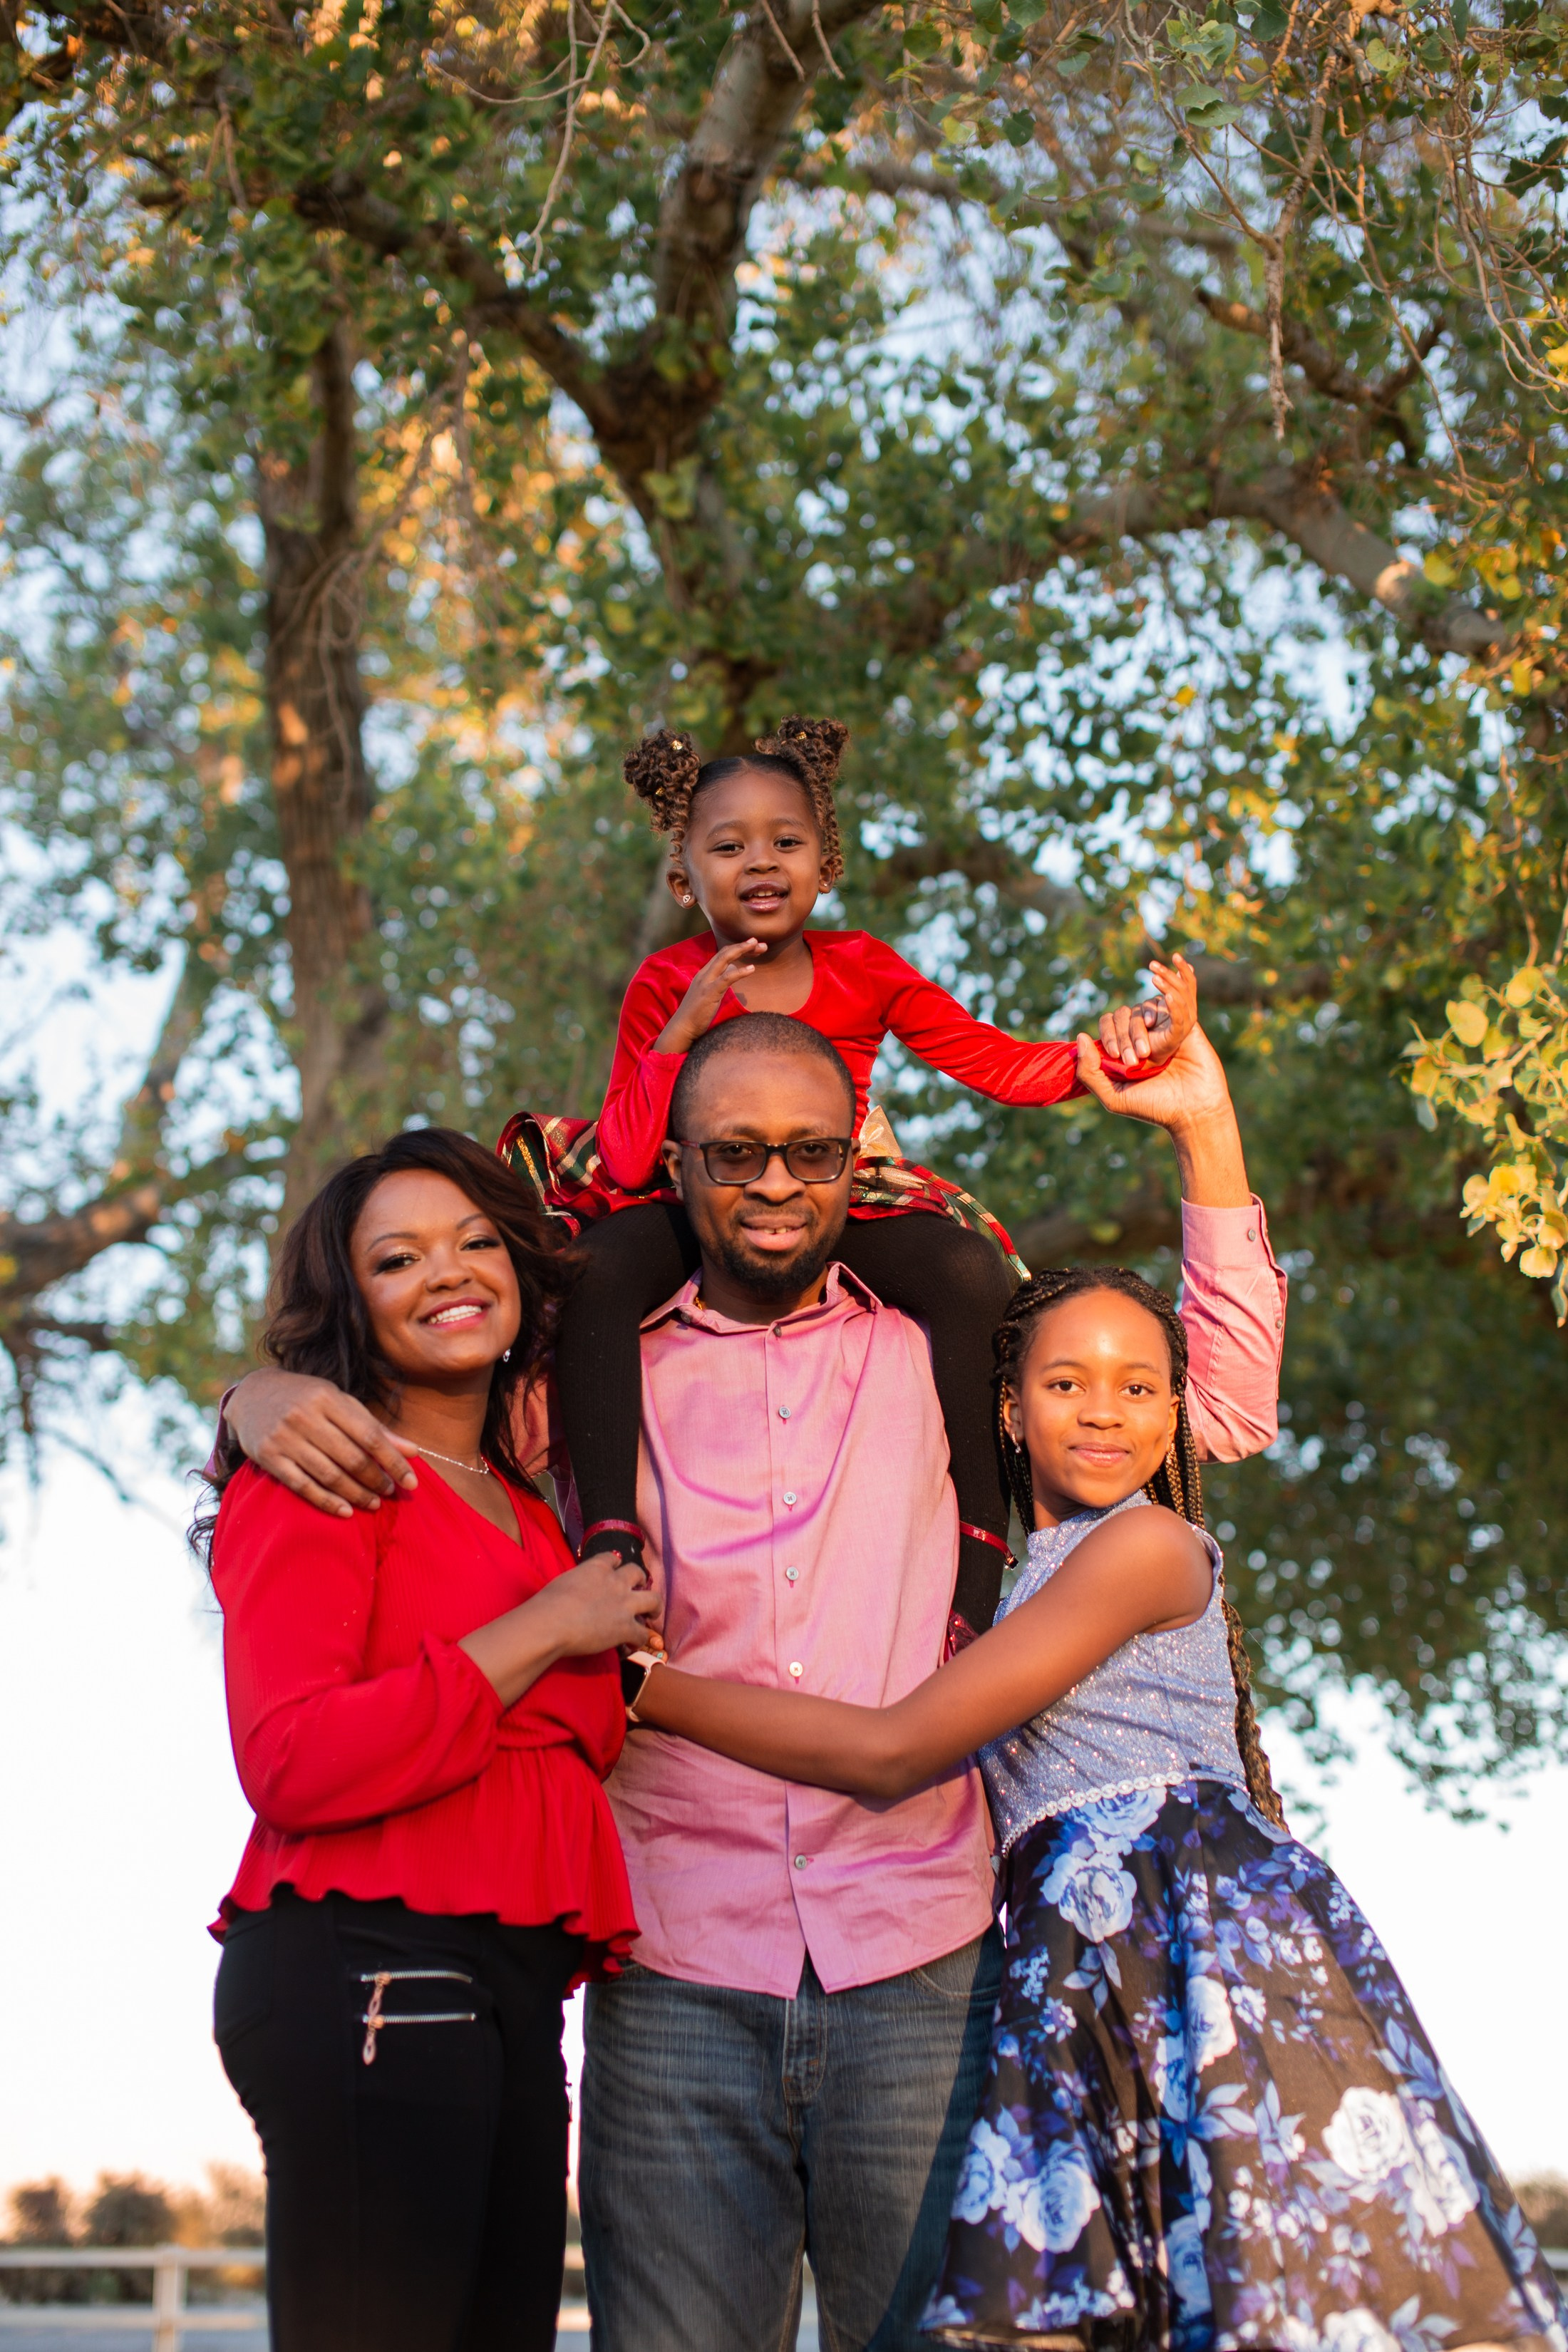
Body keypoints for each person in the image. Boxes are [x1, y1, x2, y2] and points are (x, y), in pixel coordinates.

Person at [217, 979, 1286, 2352]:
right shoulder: (571, 1389)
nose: (775, 1183)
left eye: (811, 1150)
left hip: (922, 1955)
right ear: (675, 1163)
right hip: (672, 1961)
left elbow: (1216, 1407)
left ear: (862, 1162)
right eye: (734, 1152)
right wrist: (259, 1395)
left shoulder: (959, 1360)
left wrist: (1205, 1131)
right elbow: (418, 1391)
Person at [628, 1152, 1567, 2346]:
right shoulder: (1012, 1583)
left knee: (1261, 2286)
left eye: (1140, 1387)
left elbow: (893, 1750)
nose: (1107, 1411)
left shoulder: (1149, 1551)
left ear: (1176, 1411)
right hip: (1079, 1970)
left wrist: (647, 1691)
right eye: (1068, 1383)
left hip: (1187, 1946)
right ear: (1010, 1410)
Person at [525, 714, 1194, 1638]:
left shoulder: (864, 967)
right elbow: (632, 1154)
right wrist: (684, 1027)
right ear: (685, 877)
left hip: (838, 1194)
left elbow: (996, 1063)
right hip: (698, 1194)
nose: (760, 860)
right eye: (729, 846)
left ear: (825, 863)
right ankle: (609, 1544)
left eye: (786, 841)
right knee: (595, 1269)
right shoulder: (663, 981)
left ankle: (974, 1562)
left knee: (968, 1271)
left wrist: (1126, 1056)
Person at [197, 1128, 659, 2352]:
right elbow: (290, 1755)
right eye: (396, 1259)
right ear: (350, 1300)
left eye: (473, 1243)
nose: (447, 1274)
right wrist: (550, 1625)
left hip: (506, 1976)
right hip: (371, 1955)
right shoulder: (325, 1466)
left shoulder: (525, 1498)